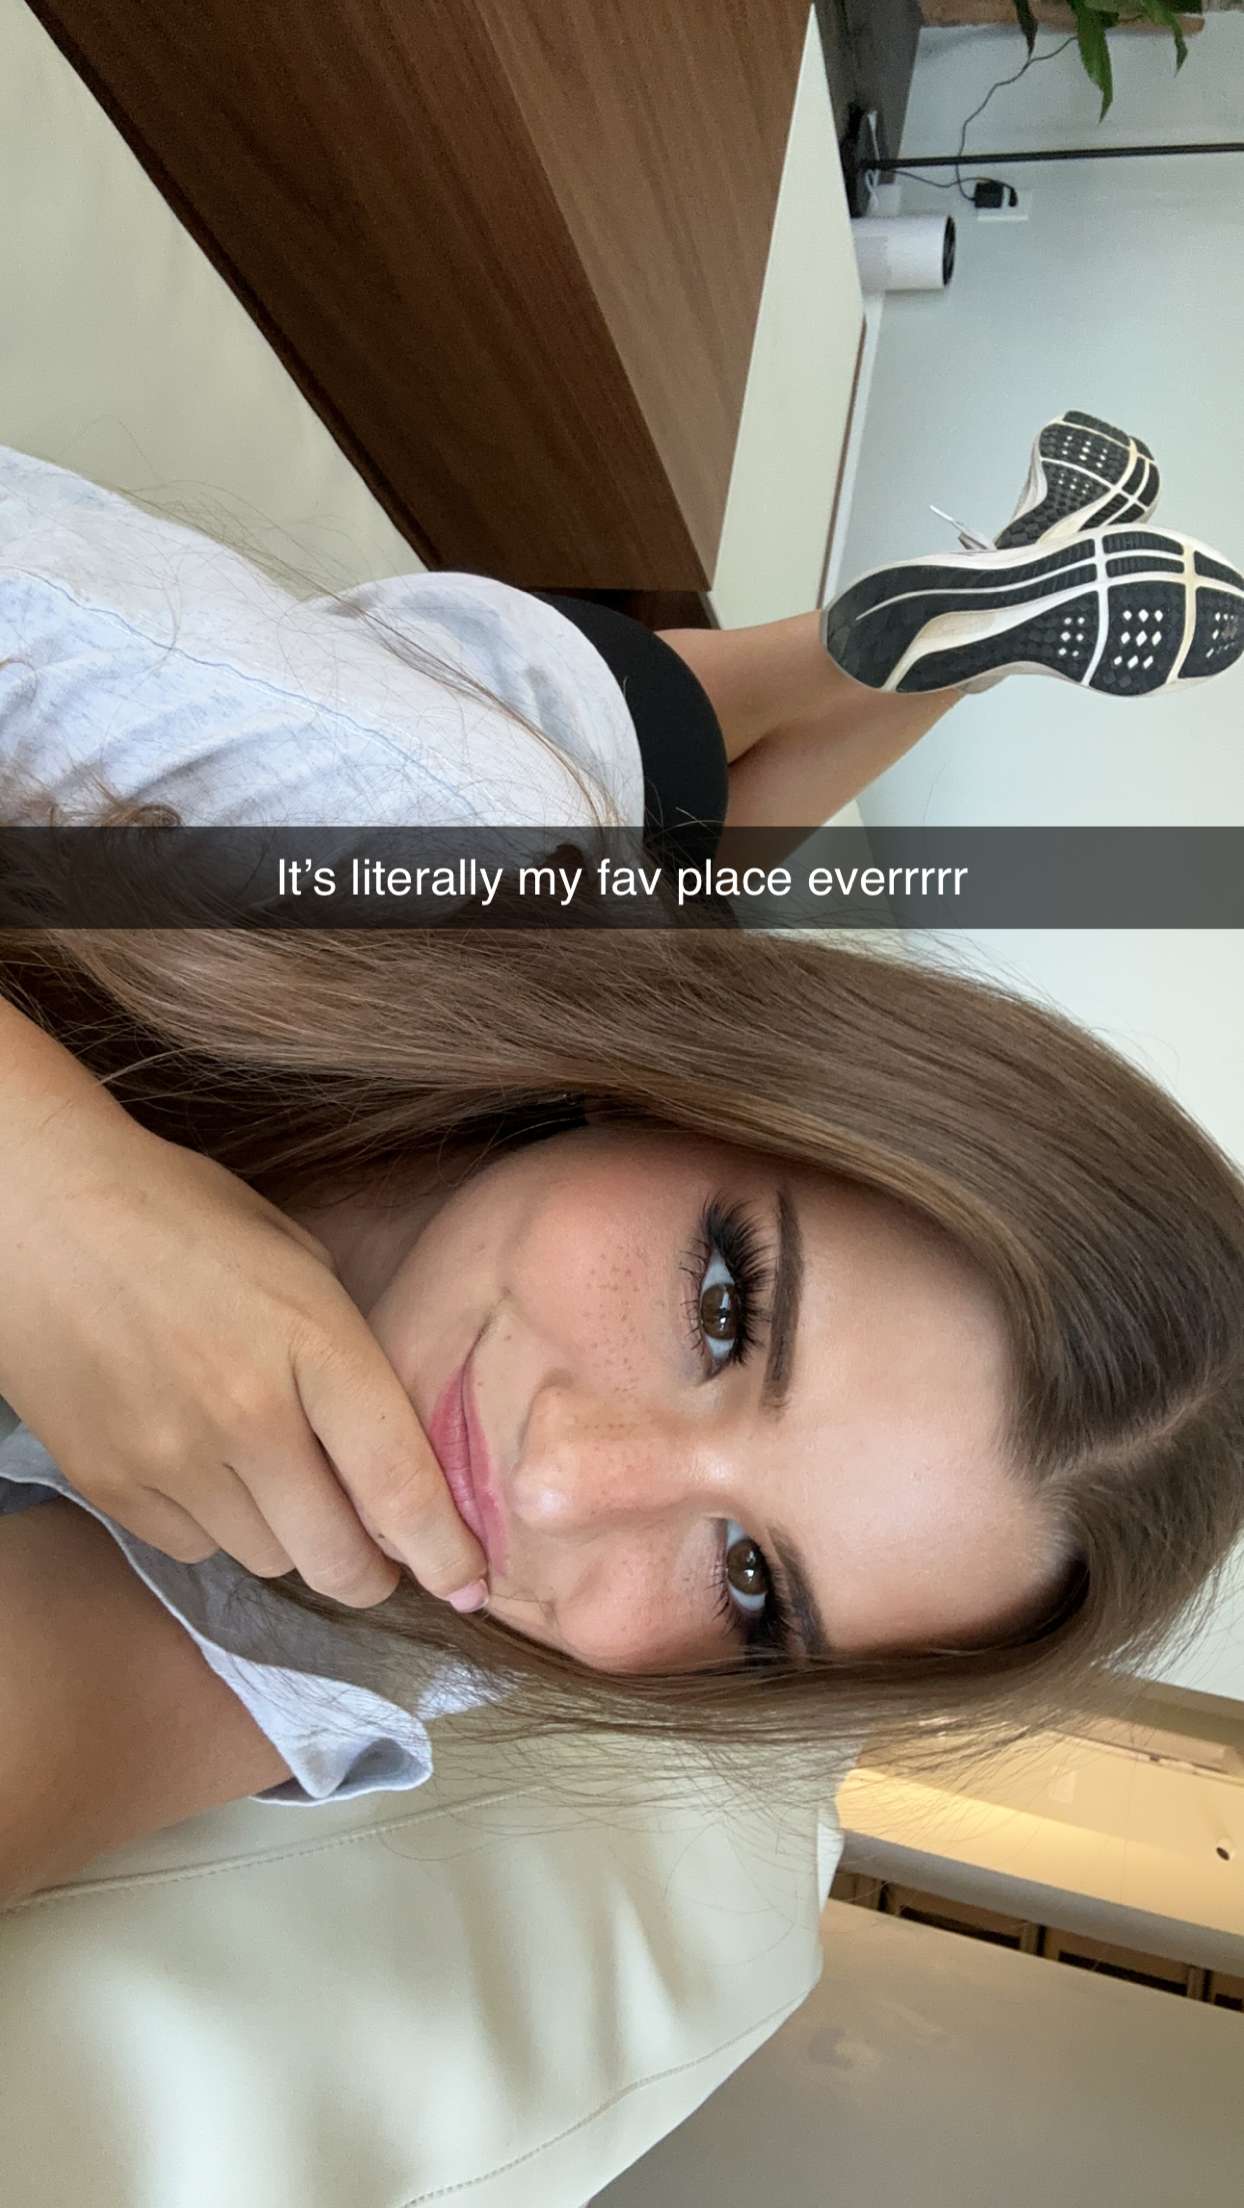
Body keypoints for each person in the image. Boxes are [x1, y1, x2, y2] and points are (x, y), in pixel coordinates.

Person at [3, 415, 1243, 1902]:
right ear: (727, 1097)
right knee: (634, 779)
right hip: (517, 799)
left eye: (752, 1585)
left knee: (677, 859)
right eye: (724, 1308)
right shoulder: (390, 798)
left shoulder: (455, 1606)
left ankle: (966, 627)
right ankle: (909, 638)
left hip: (605, 976)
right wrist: (45, 1185)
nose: (565, 1485)